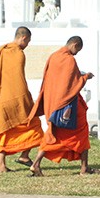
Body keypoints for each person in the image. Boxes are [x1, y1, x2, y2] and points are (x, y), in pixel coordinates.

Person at [29, 36, 94, 176]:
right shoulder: (70, 60)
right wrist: (85, 77)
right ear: (74, 44)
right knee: (82, 132)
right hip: (67, 106)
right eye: (77, 49)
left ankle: (36, 164)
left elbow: (56, 81)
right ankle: (84, 168)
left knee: (52, 135)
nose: (76, 53)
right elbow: (72, 84)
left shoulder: (53, 56)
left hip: (53, 104)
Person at [0, 27, 44, 173]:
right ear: (23, 38)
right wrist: (26, 97)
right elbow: (19, 80)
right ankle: (24, 155)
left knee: (3, 131)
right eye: (28, 41)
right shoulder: (19, 54)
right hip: (15, 98)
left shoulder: (2, 50)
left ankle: (1, 166)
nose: (27, 45)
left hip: (1, 98)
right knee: (34, 123)